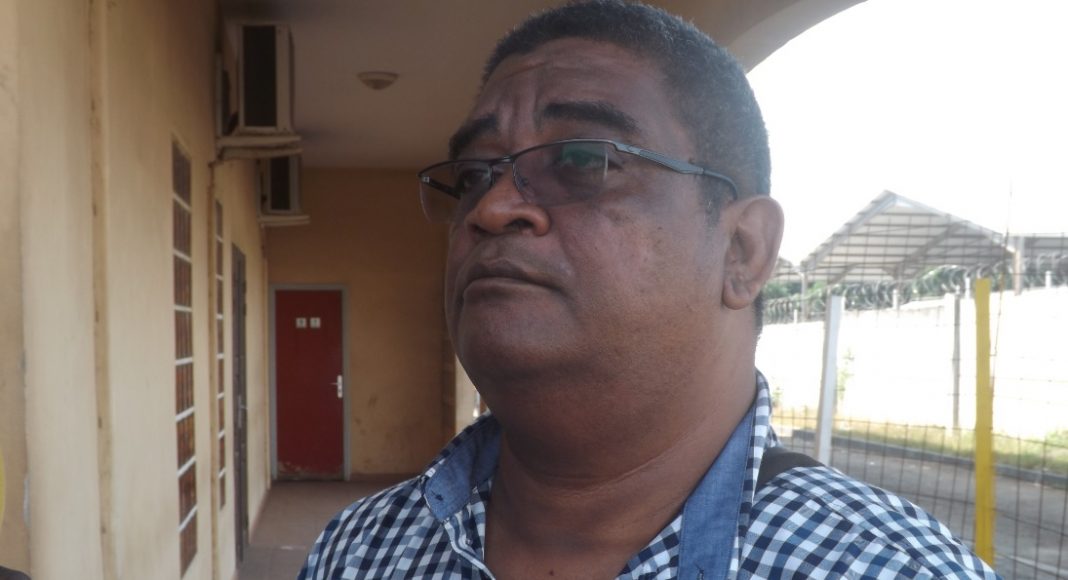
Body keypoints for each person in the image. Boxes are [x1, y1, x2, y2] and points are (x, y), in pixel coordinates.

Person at [299, 1, 1000, 578]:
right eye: (475, 175)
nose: (491, 207)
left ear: (742, 252)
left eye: (583, 159)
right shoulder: (359, 553)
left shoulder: (886, 568)